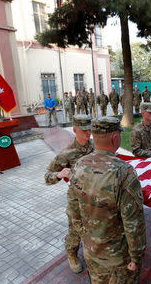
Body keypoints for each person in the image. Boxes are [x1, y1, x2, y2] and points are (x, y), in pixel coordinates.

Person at [68, 117, 146, 283]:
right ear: (115, 137)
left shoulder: (78, 166)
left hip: (91, 252)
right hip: (118, 260)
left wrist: (86, 238)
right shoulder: (124, 172)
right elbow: (133, 224)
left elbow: (73, 210)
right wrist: (136, 257)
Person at [44, 115, 94, 274]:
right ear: (74, 130)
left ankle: (90, 251)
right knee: (75, 228)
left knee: (93, 226)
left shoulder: (95, 147)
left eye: (89, 129)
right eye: (84, 130)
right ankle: (72, 254)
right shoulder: (67, 153)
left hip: (94, 195)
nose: (88, 133)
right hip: (76, 199)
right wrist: (58, 175)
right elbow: (47, 176)